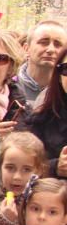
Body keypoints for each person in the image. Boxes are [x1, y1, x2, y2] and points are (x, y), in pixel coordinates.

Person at [0, 132, 48, 225]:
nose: (17, 177)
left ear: (39, 170)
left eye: (26, 169)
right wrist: (4, 220)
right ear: (0, 167)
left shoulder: (46, 199)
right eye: (10, 168)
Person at [26, 46, 67, 180]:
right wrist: (56, 167)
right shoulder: (41, 119)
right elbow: (24, 167)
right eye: (66, 69)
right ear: (58, 75)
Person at [17, 20, 67, 104]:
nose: (50, 49)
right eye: (44, 42)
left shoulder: (65, 89)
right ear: (26, 48)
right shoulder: (8, 87)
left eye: (57, 44)